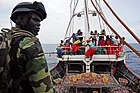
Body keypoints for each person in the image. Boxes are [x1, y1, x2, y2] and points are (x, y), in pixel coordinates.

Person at [9, 1, 54, 93]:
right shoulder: (30, 43)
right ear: (21, 19)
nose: (39, 24)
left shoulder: (8, 40)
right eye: (35, 20)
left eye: (39, 21)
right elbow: (43, 89)